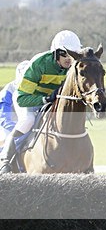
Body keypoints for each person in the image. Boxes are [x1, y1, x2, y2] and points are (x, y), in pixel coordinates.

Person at [0, 30, 82, 173]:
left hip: (52, 101)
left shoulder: (73, 67)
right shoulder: (38, 64)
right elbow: (22, 98)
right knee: (27, 121)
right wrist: (45, 99)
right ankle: (5, 160)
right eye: (64, 54)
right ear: (55, 53)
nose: (69, 59)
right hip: (28, 99)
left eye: (72, 54)